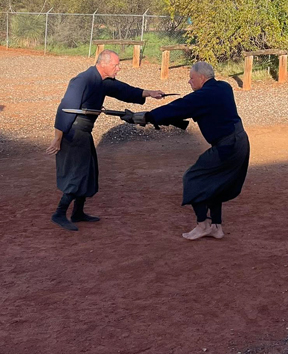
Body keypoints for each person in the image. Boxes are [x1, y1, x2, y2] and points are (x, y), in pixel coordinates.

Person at [46, 50, 165, 231]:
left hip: (84, 132)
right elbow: (65, 109)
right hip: (73, 132)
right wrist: (57, 138)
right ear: (103, 64)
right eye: (115, 65)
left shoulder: (103, 82)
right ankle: (59, 214)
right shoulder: (83, 80)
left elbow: (124, 90)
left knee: (87, 171)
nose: (119, 68)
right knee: (77, 173)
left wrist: (150, 93)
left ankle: (78, 213)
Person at [129, 61, 249, 240]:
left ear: (202, 77)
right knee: (214, 182)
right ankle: (216, 226)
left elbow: (178, 107)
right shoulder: (224, 87)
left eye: (191, 78)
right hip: (239, 143)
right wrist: (165, 118)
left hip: (228, 146)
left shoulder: (203, 96)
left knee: (193, 178)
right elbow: (186, 110)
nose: (189, 82)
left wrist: (144, 117)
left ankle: (203, 225)